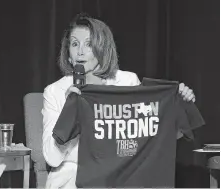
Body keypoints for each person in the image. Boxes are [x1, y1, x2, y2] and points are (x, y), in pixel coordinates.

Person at [42, 14, 196, 189]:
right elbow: (52, 158)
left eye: (89, 44)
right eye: (75, 44)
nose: (80, 51)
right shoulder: (55, 92)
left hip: (122, 175)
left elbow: (153, 134)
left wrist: (179, 105)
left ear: (103, 49)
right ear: (68, 54)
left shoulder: (127, 82)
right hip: (74, 177)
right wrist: (70, 114)